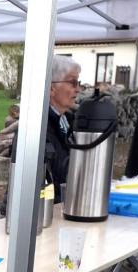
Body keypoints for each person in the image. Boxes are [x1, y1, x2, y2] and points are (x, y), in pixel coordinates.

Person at [47, 54, 81, 203]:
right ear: (52, 88)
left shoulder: (68, 120)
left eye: (78, 82)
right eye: (72, 82)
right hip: (45, 211)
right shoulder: (38, 128)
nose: (78, 89)